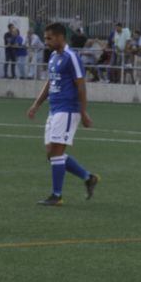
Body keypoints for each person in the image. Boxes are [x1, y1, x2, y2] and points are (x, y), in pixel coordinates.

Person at [25, 22, 100, 206]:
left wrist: (83, 112)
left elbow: (81, 86)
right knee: (51, 154)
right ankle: (88, 177)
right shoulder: (53, 57)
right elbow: (50, 83)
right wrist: (37, 104)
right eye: (46, 38)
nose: (47, 41)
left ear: (60, 37)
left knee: (56, 152)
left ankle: (56, 196)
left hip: (67, 109)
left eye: (49, 38)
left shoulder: (71, 57)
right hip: (54, 109)